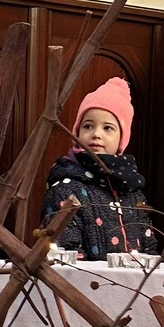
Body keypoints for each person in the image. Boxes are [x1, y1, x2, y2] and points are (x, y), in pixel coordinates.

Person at [40, 77, 156, 259]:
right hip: (85, 278)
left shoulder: (132, 192)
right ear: (77, 132)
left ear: (122, 138)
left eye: (107, 128)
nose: (96, 134)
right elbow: (66, 255)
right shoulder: (66, 189)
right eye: (88, 126)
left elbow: (149, 249)